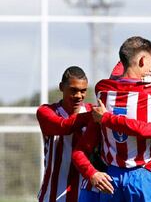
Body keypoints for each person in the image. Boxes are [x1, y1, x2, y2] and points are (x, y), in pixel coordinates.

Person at [72, 36, 151, 202]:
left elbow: (119, 77)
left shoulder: (102, 90)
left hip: (112, 176)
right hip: (143, 175)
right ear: (143, 60)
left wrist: (91, 173)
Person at [36, 66, 97, 202]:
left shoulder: (92, 111)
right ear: (61, 87)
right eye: (73, 90)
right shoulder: (46, 112)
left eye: (83, 91)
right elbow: (64, 126)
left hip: (86, 194)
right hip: (53, 195)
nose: (78, 96)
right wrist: (95, 116)